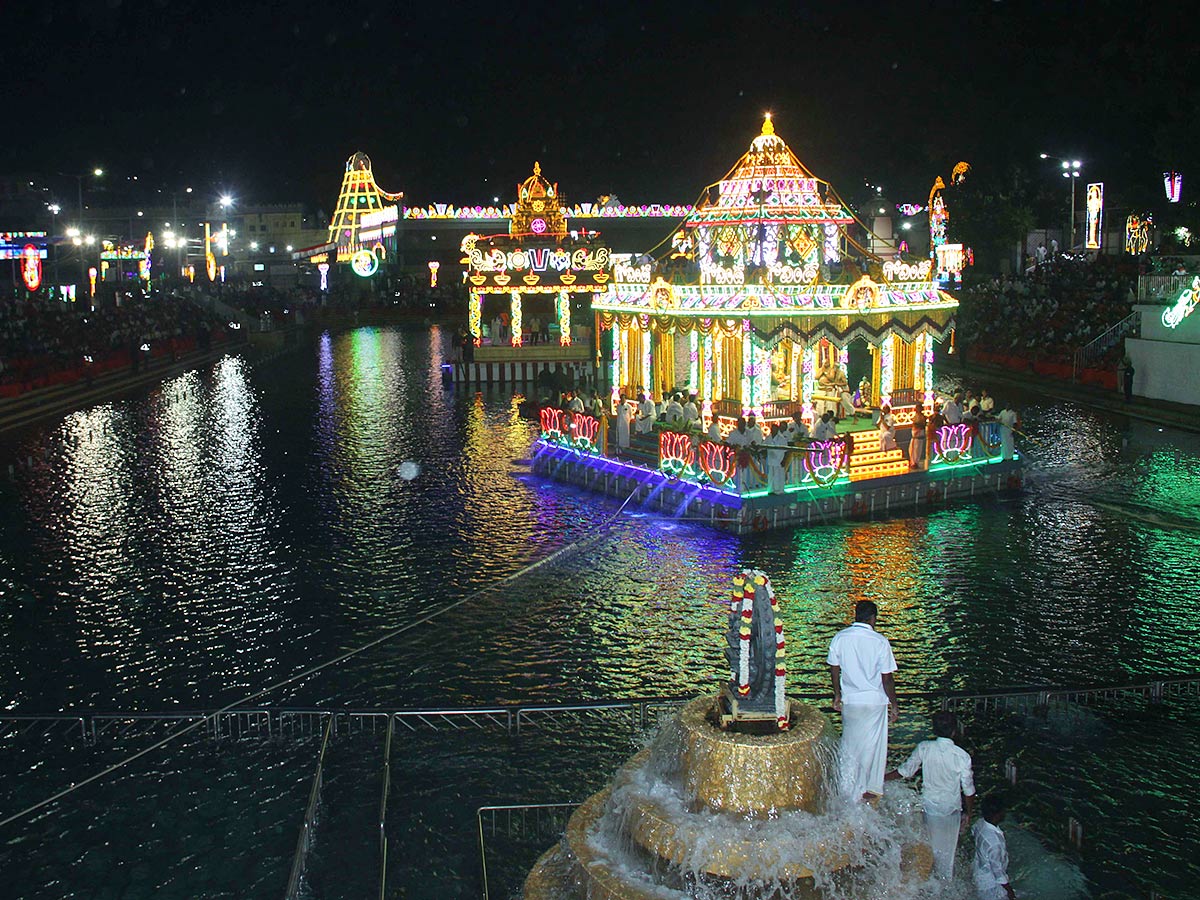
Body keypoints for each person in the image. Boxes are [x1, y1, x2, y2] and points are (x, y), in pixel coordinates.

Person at [885, 711, 976, 880]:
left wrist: (881, 779)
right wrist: (968, 812)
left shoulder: (924, 747)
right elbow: (969, 790)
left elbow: (904, 771)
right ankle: (943, 887)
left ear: (934, 729)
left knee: (930, 849)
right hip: (950, 811)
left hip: (928, 808)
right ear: (954, 731)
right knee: (946, 857)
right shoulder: (962, 756)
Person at [827, 600, 898, 801]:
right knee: (871, 747)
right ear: (873, 618)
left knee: (850, 744)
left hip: (851, 701)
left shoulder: (840, 638)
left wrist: (837, 694)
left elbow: (834, 667)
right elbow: (887, 678)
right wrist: (894, 703)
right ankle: (866, 788)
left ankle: (846, 787)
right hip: (875, 702)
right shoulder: (880, 641)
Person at [972, 794, 1015, 900]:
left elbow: (973, 831)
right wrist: (1009, 891)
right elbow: (998, 872)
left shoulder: (980, 823)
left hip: (979, 872)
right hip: (990, 884)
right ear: (997, 815)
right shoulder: (994, 843)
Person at [766, 423, 788, 494]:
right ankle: (771, 490)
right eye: (772, 429)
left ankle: (779, 490)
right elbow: (764, 446)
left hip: (779, 461)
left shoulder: (782, 439)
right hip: (771, 460)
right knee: (771, 476)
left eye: (775, 429)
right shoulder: (768, 438)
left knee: (779, 476)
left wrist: (784, 460)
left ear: (777, 430)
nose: (773, 431)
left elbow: (786, 451)